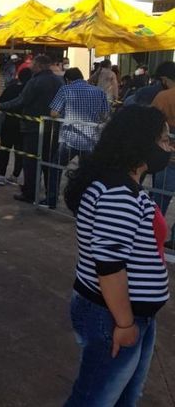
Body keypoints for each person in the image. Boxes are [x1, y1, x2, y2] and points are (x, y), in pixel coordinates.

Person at [63, 104, 170, 406]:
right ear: (140, 142)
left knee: (124, 396)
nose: (168, 147)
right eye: (163, 140)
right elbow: (109, 265)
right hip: (113, 315)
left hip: (131, 313)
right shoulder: (117, 193)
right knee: (95, 399)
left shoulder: (122, 185)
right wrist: (123, 324)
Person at [0, 55, 63, 204]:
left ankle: (30, 194)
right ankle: (51, 196)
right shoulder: (59, 81)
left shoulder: (35, 81)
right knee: (49, 163)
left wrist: (1, 105)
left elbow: (21, 100)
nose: (31, 65)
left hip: (33, 128)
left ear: (39, 65)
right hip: (53, 129)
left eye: (33, 63)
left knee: (31, 163)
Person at [45, 67, 110, 208]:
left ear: (68, 80)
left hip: (70, 138)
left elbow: (53, 113)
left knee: (55, 167)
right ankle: (87, 203)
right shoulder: (99, 91)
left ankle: (51, 200)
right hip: (92, 140)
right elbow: (105, 116)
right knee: (89, 173)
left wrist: (67, 117)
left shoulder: (65, 90)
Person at [0, 68, 32, 186]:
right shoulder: (31, 91)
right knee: (20, 152)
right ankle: (15, 176)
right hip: (24, 125)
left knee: (5, 150)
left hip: (9, 124)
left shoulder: (12, 89)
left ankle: (1, 175)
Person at [150, 61, 175, 215]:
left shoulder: (163, 97)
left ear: (164, 79)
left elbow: (150, 123)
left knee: (158, 205)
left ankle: (151, 237)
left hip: (168, 157)